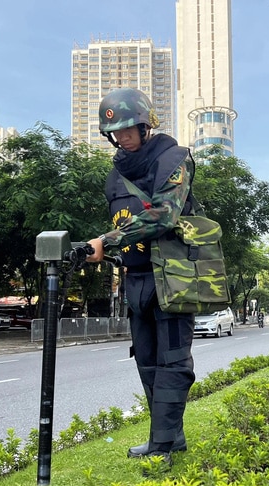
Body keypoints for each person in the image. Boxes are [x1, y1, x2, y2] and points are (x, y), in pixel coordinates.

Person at [85, 88, 196, 466]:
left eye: (130, 127)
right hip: (135, 278)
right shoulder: (116, 174)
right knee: (146, 359)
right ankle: (168, 437)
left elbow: (165, 215)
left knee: (173, 361)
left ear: (147, 124)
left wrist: (107, 239)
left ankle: (163, 446)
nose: (123, 136)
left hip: (171, 276)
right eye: (116, 131)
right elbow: (122, 221)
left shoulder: (174, 159)